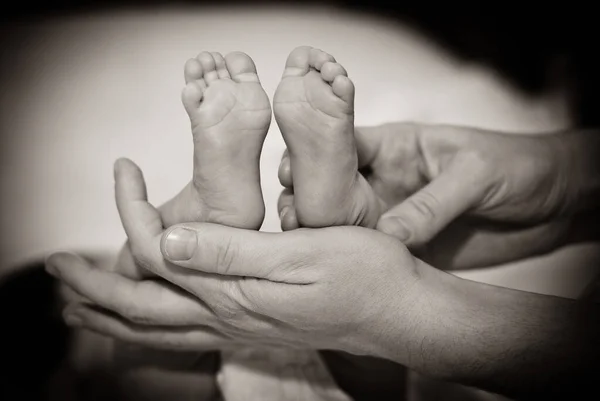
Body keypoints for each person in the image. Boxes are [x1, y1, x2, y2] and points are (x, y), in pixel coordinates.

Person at [45, 56, 600, 400]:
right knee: (147, 352)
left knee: (160, 335)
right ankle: (314, 222)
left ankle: (237, 221)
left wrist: (400, 310)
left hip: (299, 345)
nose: (118, 303)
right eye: (100, 307)